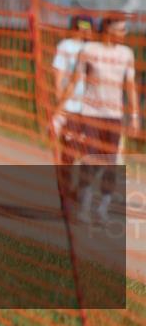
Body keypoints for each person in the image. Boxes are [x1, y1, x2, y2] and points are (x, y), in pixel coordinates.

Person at [59, 14, 139, 223]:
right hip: (91, 114)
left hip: (114, 116)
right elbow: (75, 81)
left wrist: (135, 115)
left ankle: (102, 208)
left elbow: (130, 86)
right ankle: (84, 206)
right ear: (108, 30)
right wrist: (60, 110)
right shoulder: (89, 51)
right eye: (121, 30)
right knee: (90, 161)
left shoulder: (126, 54)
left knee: (111, 164)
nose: (125, 34)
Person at [51, 13, 94, 195]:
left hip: (90, 108)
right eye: (80, 28)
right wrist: (60, 104)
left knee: (88, 151)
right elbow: (58, 75)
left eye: (87, 29)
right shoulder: (65, 46)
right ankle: (66, 188)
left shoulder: (93, 49)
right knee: (68, 151)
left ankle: (79, 189)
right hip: (69, 106)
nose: (83, 32)